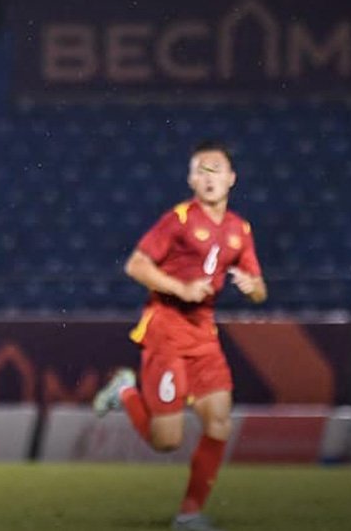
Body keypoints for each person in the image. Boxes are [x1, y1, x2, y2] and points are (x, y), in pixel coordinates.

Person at [94, 141, 267, 531]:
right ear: (191, 180)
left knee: (219, 423)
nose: (209, 177)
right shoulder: (178, 220)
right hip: (166, 333)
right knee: (166, 441)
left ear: (232, 178)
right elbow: (136, 265)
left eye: (216, 168)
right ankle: (125, 391)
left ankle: (189, 513)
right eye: (201, 170)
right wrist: (181, 288)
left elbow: (260, 290)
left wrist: (252, 286)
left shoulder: (240, 229)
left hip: (204, 337)